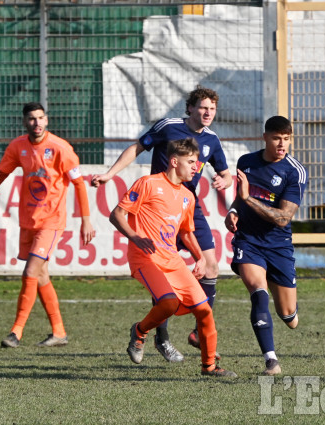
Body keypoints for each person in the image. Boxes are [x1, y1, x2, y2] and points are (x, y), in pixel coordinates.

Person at [91, 85, 232, 362]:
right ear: (190, 108)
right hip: (157, 207)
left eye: (212, 109)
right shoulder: (169, 127)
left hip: (188, 205)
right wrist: (110, 174)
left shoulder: (212, 140)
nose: (208, 113)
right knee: (164, 278)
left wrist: (223, 180)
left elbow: (225, 174)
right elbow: (137, 147)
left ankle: (197, 332)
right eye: (203, 107)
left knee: (211, 265)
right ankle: (162, 338)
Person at [0, 102, 95, 348]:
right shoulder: (18, 146)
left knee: (30, 272)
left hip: (51, 222)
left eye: (41, 118)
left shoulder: (60, 148)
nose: (37, 123)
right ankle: (59, 332)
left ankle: (16, 332)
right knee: (41, 275)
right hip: (28, 221)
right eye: (32, 119)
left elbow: (78, 183)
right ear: (24, 121)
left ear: (47, 120)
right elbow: (0, 174)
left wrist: (86, 220)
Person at [109, 137, 236, 378]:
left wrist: (200, 257)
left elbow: (186, 232)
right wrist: (135, 237)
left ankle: (209, 367)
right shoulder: (147, 183)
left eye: (197, 162)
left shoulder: (187, 196)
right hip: (144, 257)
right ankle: (139, 332)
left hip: (172, 260)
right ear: (174, 161)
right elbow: (116, 215)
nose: (195, 167)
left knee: (205, 311)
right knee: (168, 302)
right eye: (191, 162)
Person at [224, 116, 308, 376]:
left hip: (278, 245)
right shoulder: (246, 162)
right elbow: (241, 199)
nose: (282, 144)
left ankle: (286, 307)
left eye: (286, 138)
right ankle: (271, 361)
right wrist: (233, 210)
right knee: (258, 291)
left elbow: (283, 218)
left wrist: (247, 199)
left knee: (289, 318)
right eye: (276, 138)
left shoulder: (295, 171)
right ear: (265, 138)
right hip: (249, 241)